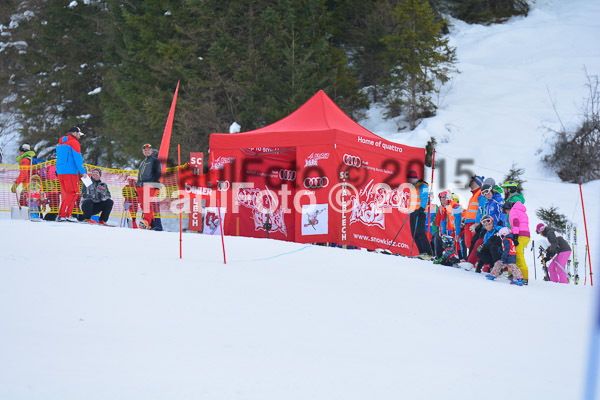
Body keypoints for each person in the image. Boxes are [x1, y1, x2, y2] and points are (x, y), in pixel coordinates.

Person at [56, 126, 88, 222]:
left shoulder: (60, 143)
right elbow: (78, 158)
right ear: (74, 133)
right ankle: (65, 215)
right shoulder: (74, 142)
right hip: (70, 172)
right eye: (79, 134)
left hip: (60, 171)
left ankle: (61, 214)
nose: (79, 136)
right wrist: (83, 172)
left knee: (67, 194)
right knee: (73, 193)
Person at [502, 201, 530, 284]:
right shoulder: (521, 211)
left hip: (520, 235)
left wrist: (515, 236)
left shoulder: (513, 211)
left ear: (508, 208)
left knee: (517, 254)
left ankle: (523, 277)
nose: (507, 213)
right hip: (526, 236)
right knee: (516, 253)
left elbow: (515, 223)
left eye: (506, 211)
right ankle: (514, 273)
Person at [407, 169, 433, 256]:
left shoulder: (423, 185)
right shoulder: (413, 187)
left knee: (420, 233)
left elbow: (424, 197)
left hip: (420, 212)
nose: (409, 181)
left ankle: (428, 253)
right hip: (413, 212)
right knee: (413, 233)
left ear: (413, 178)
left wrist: (422, 208)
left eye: (410, 178)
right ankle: (422, 253)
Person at [136, 143, 162, 230]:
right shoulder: (143, 162)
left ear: (151, 151)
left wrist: (155, 184)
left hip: (149, 185)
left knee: (147, 205)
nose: (146, 151)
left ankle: (146, 221)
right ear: (143, 151)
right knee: (143, 206)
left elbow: (158, 173)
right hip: (140, 186)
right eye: (145, 150)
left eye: (148, 150)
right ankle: (152, 224)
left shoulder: (155, 161)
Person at [463, 175, 486, 253]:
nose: (471, 184)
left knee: (474, 242)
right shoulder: (472, 196)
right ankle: (471, 259)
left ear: (477, 183)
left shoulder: (481, 193)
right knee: (468, 242)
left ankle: (474, 260)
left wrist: (477, 222)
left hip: (474, 222)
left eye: (473, 182)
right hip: (468, 222)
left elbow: (481, 208)